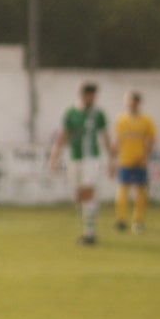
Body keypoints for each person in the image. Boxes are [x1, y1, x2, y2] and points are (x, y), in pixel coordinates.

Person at [49, 81, 116, 245]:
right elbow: (63, 134)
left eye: (94, 95)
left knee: (88, 191)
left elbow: (105, 137)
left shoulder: (98, 114)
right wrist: (55, 156)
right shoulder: (71, 112)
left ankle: (90, 234)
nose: (91, 98)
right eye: (89, 95)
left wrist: (112, 160)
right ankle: (88, 227)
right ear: (83, 95)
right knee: (79, 196)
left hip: (91, 158)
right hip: (75, 158)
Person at [114, 90, 157, 233]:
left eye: (132, 101)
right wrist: (114, 156)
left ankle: (138, 221)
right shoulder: (121, 120)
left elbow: (151, 140)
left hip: (140, 160)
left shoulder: (146, 120)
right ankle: (122, 220)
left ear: (138, 102)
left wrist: (145, 156)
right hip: (125, 160)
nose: (129, 104)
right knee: (123, 190)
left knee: (140, 191)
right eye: (128, 101)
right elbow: (118, 140)